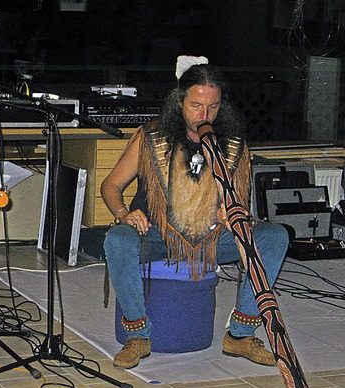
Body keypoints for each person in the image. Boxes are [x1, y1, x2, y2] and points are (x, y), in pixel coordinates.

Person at [101, 56, 289, 369]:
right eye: (196, 106)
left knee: (274, 236)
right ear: (179, 101)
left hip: (213, 238)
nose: (205, 115)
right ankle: (138, 335)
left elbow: (238, 202)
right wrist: (124, 214)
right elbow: (111, 185)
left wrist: (230, 214)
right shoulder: (151, 138)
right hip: (155, 234)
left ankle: (240, 335)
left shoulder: (233, 145)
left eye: (213, 107)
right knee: (117, 242)